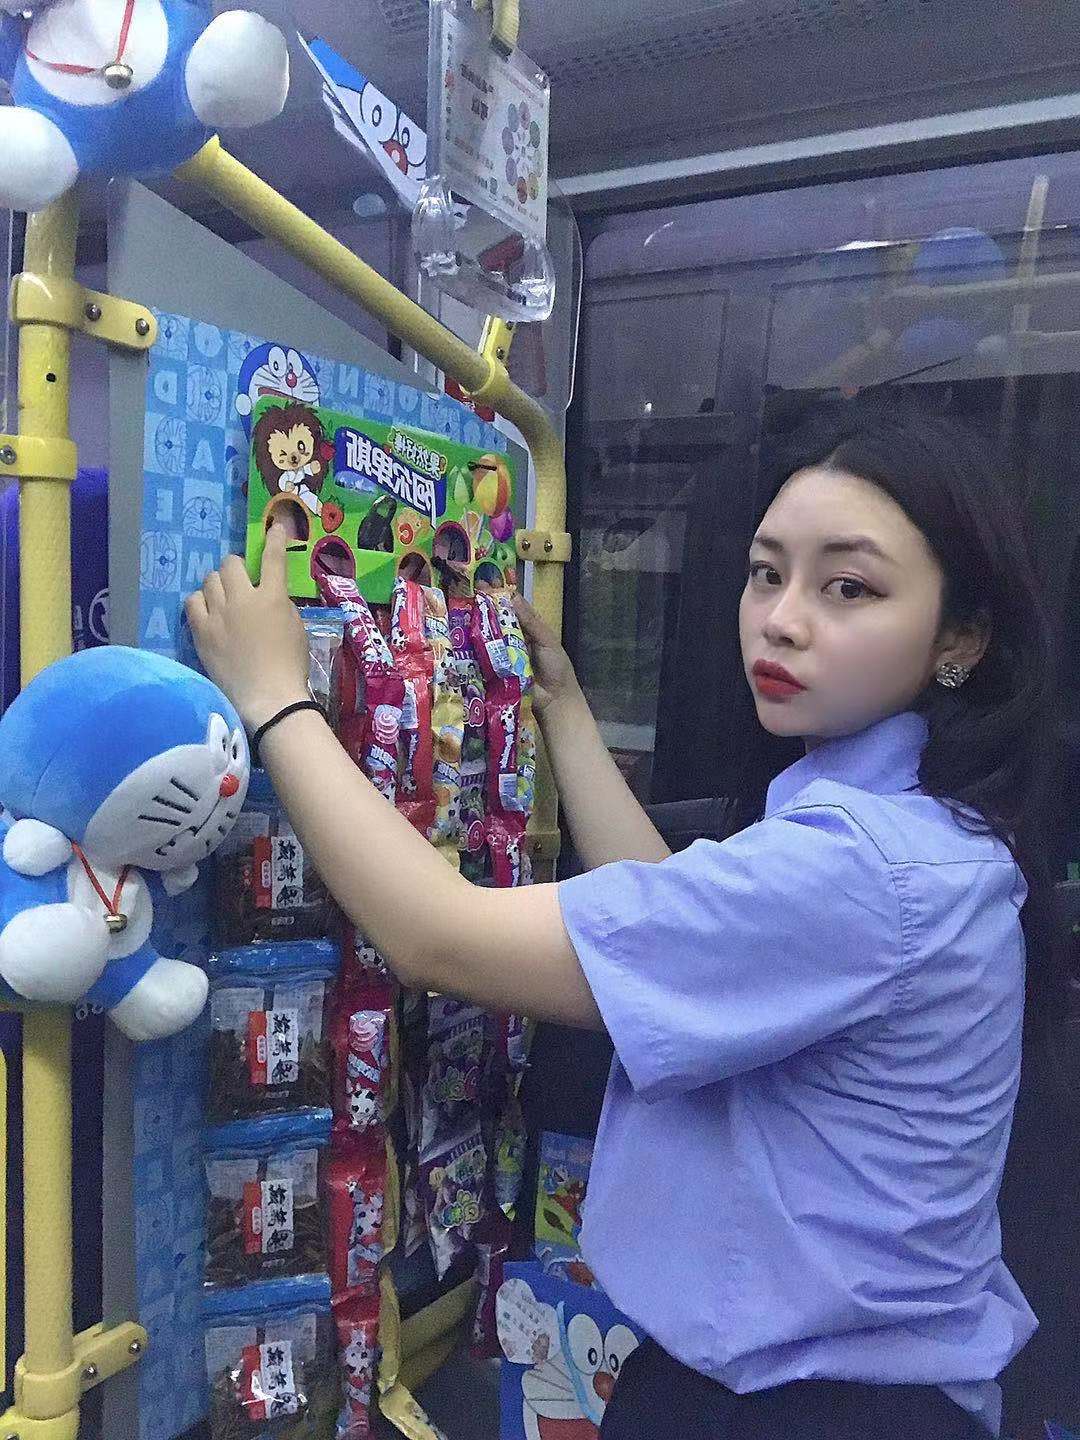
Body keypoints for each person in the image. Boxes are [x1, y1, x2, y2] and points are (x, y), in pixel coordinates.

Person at [187, 411, 1057, 1440]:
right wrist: (559, 707)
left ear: (961, 638)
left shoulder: (862, 871)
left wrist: (276, 698)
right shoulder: (913, 830)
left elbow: (435, 936)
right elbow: (674, 914)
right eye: (765, 573)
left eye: (849, 588)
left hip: (806, 1411)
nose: (781, 620)